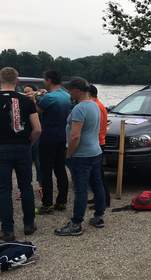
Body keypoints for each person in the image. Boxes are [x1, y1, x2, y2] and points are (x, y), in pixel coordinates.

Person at [55, 78, 106, 236]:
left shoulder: (79, 108)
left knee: (80, 189)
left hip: (81, 154)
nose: (69, 93)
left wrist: (69, 153)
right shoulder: (95, 105)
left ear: (77, 90)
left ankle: (76, 223)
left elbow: (75, 136)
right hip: (95, 151)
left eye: (70, 90)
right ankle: (99, 216)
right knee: (97, 184)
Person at [0, 67, 42, 242]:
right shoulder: (26, 100)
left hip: (1, 148)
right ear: (17, 81)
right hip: (22, 147)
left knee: (3, 189)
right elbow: (38, 129)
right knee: (25, 186)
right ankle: (29, 223)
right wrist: (29, 142)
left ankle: (8, 230)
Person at [35, 71, 71, 214]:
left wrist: (34, 98)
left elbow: (36, 110)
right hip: (63, 136)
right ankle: (62, 201)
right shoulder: (66, 95)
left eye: (45, 79)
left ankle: (47, 204)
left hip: (48, 137)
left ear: (49, 80)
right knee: (60, 169)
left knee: (46, 171)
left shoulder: (49, 97)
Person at [88, 85, 110, 207]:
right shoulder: (97, 104)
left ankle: (104, 199)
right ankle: (98, 197)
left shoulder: (96, 106)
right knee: (94, 174)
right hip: (98, 141)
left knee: (98, 175)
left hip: (98, 142)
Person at [23, 85, 43, 194]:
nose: (27, 94)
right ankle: (25, 188)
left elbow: (40, 116)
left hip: (37, 137)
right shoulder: (22, 103)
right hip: (27, 137)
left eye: (29, 92)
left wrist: (34, 100)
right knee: (26, 162)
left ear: (34, 92)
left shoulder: (38, 103)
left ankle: (41, 185)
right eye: (25, 92)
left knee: (38, 162)